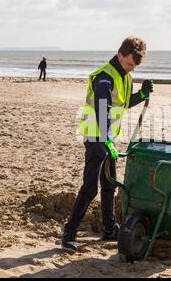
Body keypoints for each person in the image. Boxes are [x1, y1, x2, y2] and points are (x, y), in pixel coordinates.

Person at [61, 36, 154, 252]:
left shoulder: (124, 75)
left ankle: (109, 228)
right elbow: (102, 111)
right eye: (130, 63)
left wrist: (141, 94)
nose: (131, 69)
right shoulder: (104, 77)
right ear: (120, 54)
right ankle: (68, 234)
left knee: (109, 184)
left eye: (135, 66)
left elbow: (122, 103)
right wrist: (105, 142)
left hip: (107, 137)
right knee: (90, 187)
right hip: (95, 136)